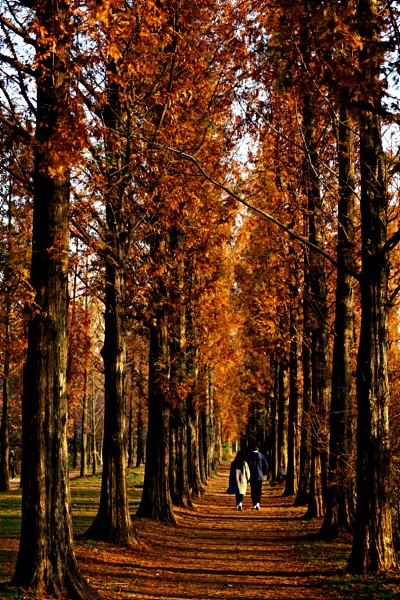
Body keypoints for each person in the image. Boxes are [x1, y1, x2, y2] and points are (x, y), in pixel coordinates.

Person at [246, 445, 268, 510]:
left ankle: (254, 504)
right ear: (257, 448)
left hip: (252, 476)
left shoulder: (249, 457)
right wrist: (263, 473)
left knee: (253, 490)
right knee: (259, 490)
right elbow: (266, 467)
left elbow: (247, 467)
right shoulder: (262, 456)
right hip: (259, 476)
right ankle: (258, 503)